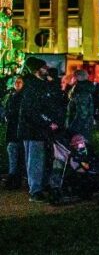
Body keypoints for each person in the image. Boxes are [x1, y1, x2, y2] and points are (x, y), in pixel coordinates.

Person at [19, 57, 62, 202]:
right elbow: (32, 111)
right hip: (33, 129)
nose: (47, 69)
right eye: (44, 67)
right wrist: (48, 122)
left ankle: (41, 185)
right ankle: (35, 190)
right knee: (35, 160)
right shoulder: (32, 86)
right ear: (38, 70)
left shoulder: (43, 84)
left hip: (42, 129)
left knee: (42, 159)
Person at [3, 76, 24, 190]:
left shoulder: (20, 97)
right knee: (14, 152)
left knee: (15, 152)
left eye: (19, 82)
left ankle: (13, 178)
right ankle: (14, 177)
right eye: (16, 82)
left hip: (17, 130)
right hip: (13, 129)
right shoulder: (12, 96)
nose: (17, 83)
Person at [65, 69, 97, 143]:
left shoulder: (81, 91)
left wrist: (72, 127)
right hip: (83, 124)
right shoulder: (82, 89)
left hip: (79, 126)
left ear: (77, 77)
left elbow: (82, 113)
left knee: (80, 144)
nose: (71, 78)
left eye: (73, 77)